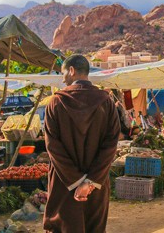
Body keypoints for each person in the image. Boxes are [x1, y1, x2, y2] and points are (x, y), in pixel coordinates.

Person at [43, 54, 120, 232]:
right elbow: (111, 145)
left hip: (64, 184)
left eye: (63, 74)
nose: (63, 79)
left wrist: (76, 181)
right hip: (96, 186)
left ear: (72, 71)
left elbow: (52, 147)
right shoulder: (106, 102)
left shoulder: (55, 102)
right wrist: (90, 182)